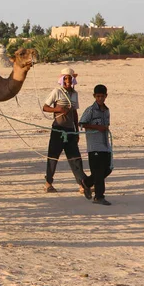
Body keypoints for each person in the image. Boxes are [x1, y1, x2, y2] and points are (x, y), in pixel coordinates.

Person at [42, 68, 91, 199]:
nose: (68, 81)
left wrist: (76, 130)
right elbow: (45, 107)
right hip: (58, 129)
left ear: (73, 80)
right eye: (65, 79)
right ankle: (48, 183)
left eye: (69, 78)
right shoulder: (57, 92)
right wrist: (57, 109)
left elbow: (74, 112)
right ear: (62, 80)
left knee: (75, 158)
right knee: (53, 157)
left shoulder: (75, 94)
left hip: (70, 130)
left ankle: (82, 184)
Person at [79, 84, 113, 205]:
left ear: (106, 96)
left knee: (108, 169)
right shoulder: (90, 110)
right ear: (94, 96)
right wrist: (96, 127)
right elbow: (82, 123)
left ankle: (87, 183)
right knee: (98, 172)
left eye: (102, 96)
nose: (100, 98)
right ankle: (99, 196)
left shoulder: (107, 110)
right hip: (94, 146)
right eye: (98, 96)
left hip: (105, 145)